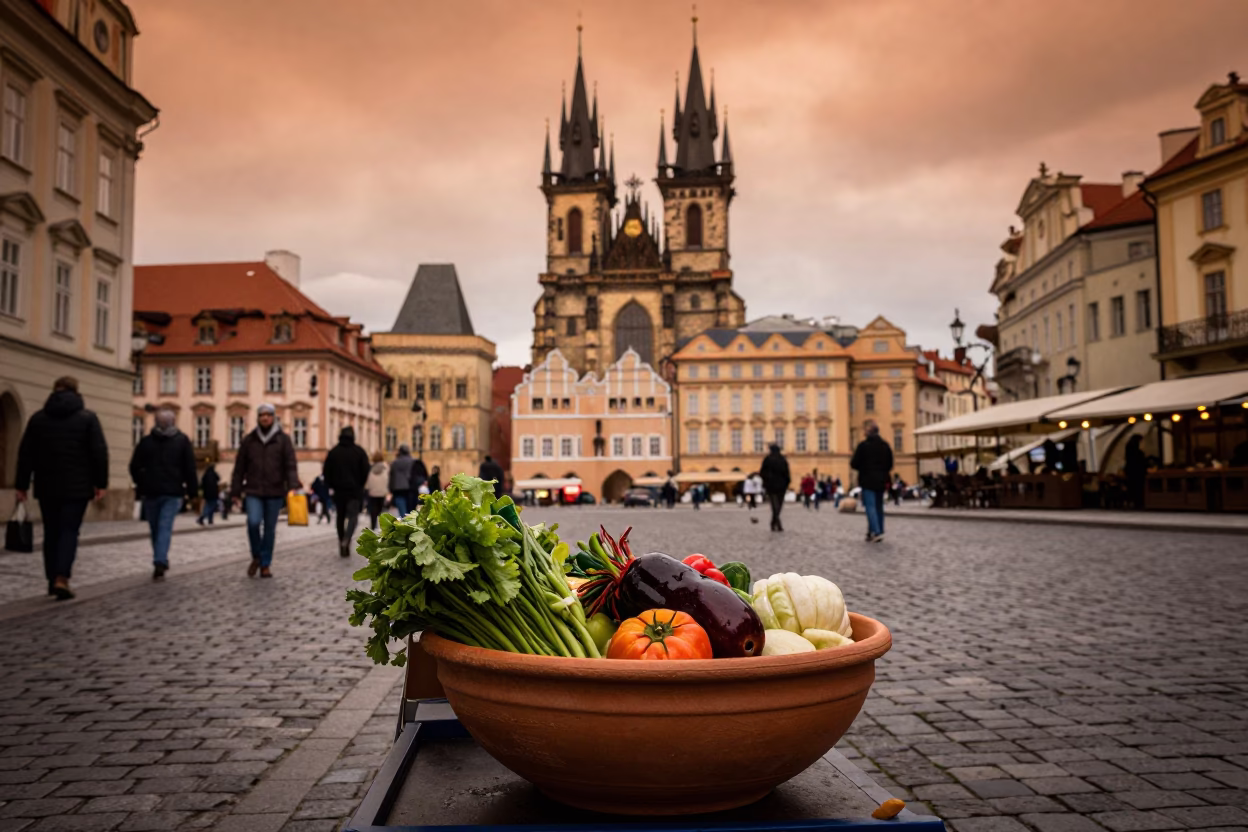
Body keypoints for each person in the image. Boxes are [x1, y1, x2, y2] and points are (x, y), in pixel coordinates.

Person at [14, 376, 108, 600]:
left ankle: (51, 579)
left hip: (47, 485)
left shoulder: (38, 419)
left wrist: (21, 485)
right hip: (77, 487)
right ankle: (61, 578)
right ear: (76, 392)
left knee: (51, 532)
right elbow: (99, 453)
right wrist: (101, 483)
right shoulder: (88, 419)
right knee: (68, 531)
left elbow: (25, 454)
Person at [230, 403, 299, 578]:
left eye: (268, 415)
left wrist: (292, 486)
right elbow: (239, 468)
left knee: (269, 529)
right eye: (262, 415)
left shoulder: (283, 440)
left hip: (275, 491)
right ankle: (257, 555)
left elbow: (290, 465)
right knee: (253, 523)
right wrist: (235, 491)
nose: (265, 418)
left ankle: (265, 564)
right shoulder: (249, 440)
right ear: (258, 418)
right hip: (253, 489)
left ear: (274, 417)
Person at [129, 408, 198, 580]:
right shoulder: (182, 441)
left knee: (155, 528)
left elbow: (134, 466)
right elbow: (190, 468)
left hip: (151, 491)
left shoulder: (146, 441)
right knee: (164, 526)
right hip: (172, 490)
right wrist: (193, 492)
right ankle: (160, 559)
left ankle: (159, 558)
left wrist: (142, 482)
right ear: (173, 422)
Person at [323, 426, 370, 558]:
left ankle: (341, 540)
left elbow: (326, 472)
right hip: (354, 490)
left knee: (340, 517)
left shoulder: (333, 452)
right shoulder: (359, 452)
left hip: (339, 491)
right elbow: (366, 470)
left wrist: (331, 485)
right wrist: (360, 484)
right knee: (353, 517)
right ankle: (347, 539)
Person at [851, 420, 894, 543]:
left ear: (868, 432)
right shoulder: (885, 446)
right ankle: (874, 531)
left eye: (865, 430)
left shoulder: (863, 446)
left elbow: (854, 463)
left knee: (870, 507)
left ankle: (876, 532)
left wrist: (863, 467)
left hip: (867, 480)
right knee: (878, 507)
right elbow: (890, 464)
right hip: (881, 480)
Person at [760, 443, 791, 532]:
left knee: (775, 505)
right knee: (779, 506)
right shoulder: (783, 459)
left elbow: (762, 472)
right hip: (781, 486)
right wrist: (787, 483)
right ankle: (777, 524)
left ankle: (774, 522)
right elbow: (787, 473)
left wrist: (766, 482)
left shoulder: (767, 459)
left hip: (771, 486)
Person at [365, 451, 389, 529]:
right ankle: (381, 524)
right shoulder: (385, 467)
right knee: (380, 508)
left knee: (373, 509)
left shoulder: (370, 467)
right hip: (382, 492)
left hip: (372, 491)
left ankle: (373, 524)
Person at [389, 445, 415, 515]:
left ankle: (404, 519)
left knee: (402, 508)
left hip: (398, 488)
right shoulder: (412, 461)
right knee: (410, 508)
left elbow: (391, 476)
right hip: (409, 487)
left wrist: (391, 488)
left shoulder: (395, 463)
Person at [1124, 434, 1147, 510]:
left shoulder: (1129, 448)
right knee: (1138, 488)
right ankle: (1138, 503)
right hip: (1137, 472)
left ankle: (1132, 503)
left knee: (1132, 488)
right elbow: (1141, 461)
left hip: (1131, 471)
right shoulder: (1137, 452)